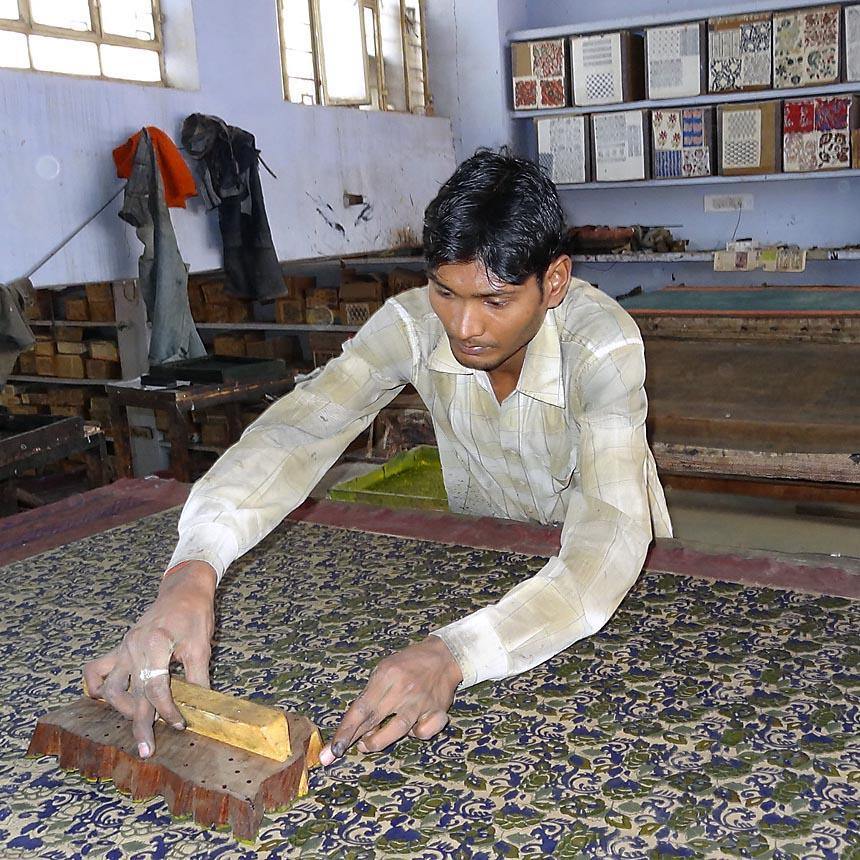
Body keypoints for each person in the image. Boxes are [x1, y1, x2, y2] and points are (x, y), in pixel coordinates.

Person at [84, 149, 672, 766]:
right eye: (445, 292)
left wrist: (455, 655)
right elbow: (299, 430)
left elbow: (604, 546)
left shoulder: (601, 345)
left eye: (495, 302)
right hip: (488, 560)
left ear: (554, 282)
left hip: (618, 580)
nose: (464, 324)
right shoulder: (416, 324)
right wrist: (194, 569)